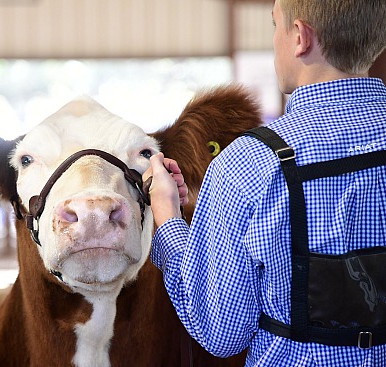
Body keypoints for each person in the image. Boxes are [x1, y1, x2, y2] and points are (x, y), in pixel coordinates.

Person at [144, 0, 386, 366]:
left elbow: (220, 332)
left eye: (276, 26)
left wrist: (167, 218)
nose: (274, 40)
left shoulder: (248, 164)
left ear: (301, 38)